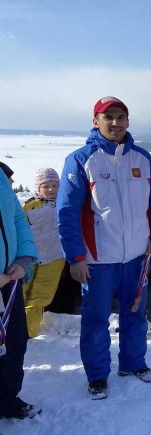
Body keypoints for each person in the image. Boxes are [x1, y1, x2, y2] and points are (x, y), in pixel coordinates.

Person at [57, 96, 151, 400]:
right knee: (96, 320)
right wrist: (76, 257)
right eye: (108, 117)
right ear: (96, 122)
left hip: (137, 255)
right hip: (97, 260)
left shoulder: (142, 159)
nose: (115, 123)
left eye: (121, 117)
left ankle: (133, 364)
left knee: (135, 312)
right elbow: (66, 213)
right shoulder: (81, 160)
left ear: (128, 121)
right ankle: (97, 375)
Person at [0, 168, 41, 419]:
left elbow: (16, 218)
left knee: (14, 342)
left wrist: (24, 257)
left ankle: (6, 399)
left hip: (8, 280)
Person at [21, 168, 65, 338]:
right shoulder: (29, 207)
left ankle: (27, 333)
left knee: (40, 296)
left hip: (54, 258)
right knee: (22, 292)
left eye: (55, 185)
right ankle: (13, 328)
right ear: (38, 188)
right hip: (29, 258)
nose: (51, 189)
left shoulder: (64, 205)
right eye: (46, 186)